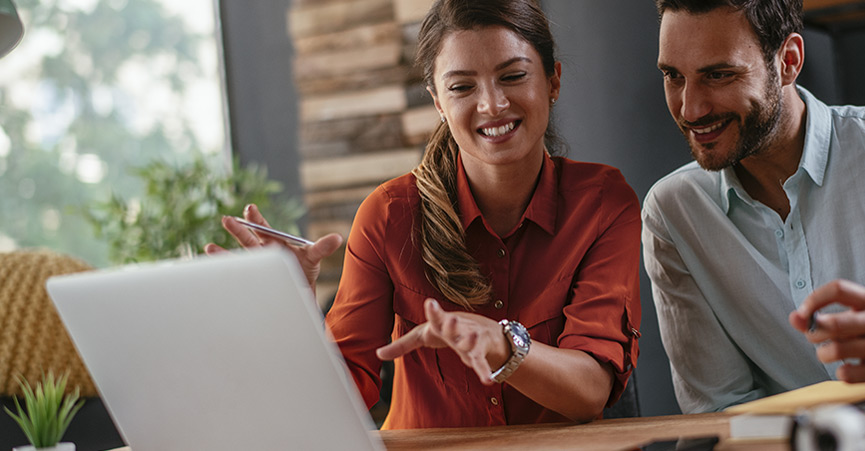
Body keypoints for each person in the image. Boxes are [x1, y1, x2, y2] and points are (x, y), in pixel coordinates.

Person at [208, 0, 642, 428]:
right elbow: (336, 406)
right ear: (437, 101)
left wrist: (501, 344)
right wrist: (292, 311)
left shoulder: (603, 203)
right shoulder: (388, 216)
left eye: (512, 76)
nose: (491, 105)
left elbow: (590, 392)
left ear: (553, 81)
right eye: (461, 87)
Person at [642, 0, 865, 414]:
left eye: (719, 75)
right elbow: (721, 411)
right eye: (673, 76)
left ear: (788, 61)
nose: (690, 108)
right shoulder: (672, 214)